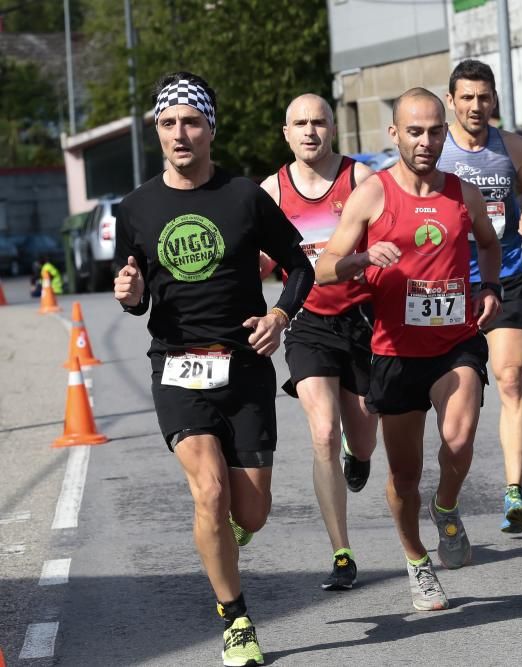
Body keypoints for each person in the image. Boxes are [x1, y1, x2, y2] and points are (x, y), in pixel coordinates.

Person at [113, 71, 313, 666]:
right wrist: (127, 293)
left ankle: (231, 532)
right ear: (157, 131)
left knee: (250, 510)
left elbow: (299, 267)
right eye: (169, 123)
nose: (181, 133)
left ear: (210, 130)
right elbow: (137, 296)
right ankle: (236, 619)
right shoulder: (137, 207)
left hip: (245, 363)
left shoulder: (246, 196)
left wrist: (280, 317)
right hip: (177, 366)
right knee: (209, 489)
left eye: (192, 122)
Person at [315, 87, 502, 612]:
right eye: (414, 132)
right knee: (404, 476)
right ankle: (417, 560)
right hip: (395, 352)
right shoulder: (372, 194)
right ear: (394, 134)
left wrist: (490, 289)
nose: (425, 141)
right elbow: (325, 265)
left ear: (446, 133)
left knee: (460, 438)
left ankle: (447, 507)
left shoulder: (461, 193)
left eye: (435, 131)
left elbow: (489, 244)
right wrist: (361, 258)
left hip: (454, 342)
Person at [259, 93, 378, 592]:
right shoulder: (270, 191)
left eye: (319, 122)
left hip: (362, 319)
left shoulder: (361, 182)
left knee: (364, 437)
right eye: (300, 124)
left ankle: (361, 454)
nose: (310, 131)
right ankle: (342, 552)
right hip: (306, 322)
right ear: (286, 133)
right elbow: (259, 264)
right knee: (323, 433)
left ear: (333, 129)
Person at [439, 59, 522, 534]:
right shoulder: (437, 151)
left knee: (510, 378)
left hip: (506, 278)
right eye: (467, 98)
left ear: (494, 99)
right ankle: (447, 496)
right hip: (447, 285)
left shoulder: (514, 146)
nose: (476, 106)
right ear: (452, 101)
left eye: (484, 97)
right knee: (458, 401)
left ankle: (514, 491)